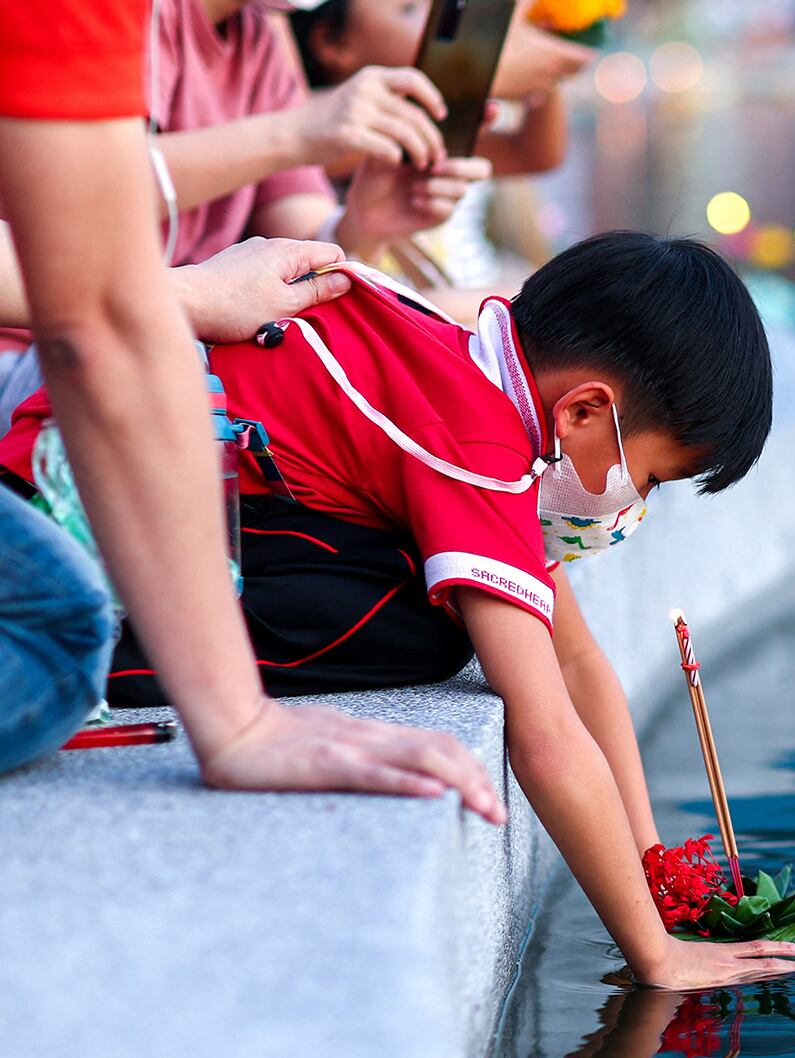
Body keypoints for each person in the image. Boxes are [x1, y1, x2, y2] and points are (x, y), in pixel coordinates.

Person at [3, 231, 795, 990]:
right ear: (584, 411)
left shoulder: (456, 358)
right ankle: (132, 661)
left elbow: (576, 656)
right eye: (652, 478)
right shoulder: (482, 446)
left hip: (72, 478)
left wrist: (652, 863)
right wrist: (656, 955)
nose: (637, 505)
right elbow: (547, 733)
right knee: (425, 629)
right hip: (73, 558)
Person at [0, 2, 505, 812]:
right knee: (58, 628)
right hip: (48, 372)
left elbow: (281, 262)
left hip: (138, 353)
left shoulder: (260, 40)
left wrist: (363, 226)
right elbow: (96, 301)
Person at [0, 0, 490, 418]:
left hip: (168, 349)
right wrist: (294, 132)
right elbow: (67, 194)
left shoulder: (258, 40)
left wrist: (365, 223)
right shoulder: (110, 17)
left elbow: (306, 242)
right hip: (35, 353)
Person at [291, 0, 594, 301]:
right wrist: (469, 74)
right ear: (332, 43)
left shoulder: (433, 124)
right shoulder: (317, 137)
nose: (438, 18)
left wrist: (544, 64)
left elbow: (532, 154)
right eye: (410, 8)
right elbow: (332, 148)